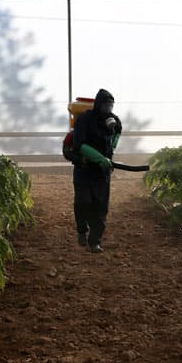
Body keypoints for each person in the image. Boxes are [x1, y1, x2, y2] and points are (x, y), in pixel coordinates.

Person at [71, 89, 122, 253]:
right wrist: (99, 158)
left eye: (111, 105)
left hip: (102, 173)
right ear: (98, 104)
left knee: (100, 207)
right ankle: (81, 231)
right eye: (106, 104)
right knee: (83, 202)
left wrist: (112, 147)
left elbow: (118, 132)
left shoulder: (113, 121)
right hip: (84, 170)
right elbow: (79, 145)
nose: (109, 108)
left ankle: (94, 242)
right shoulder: (85, 120)